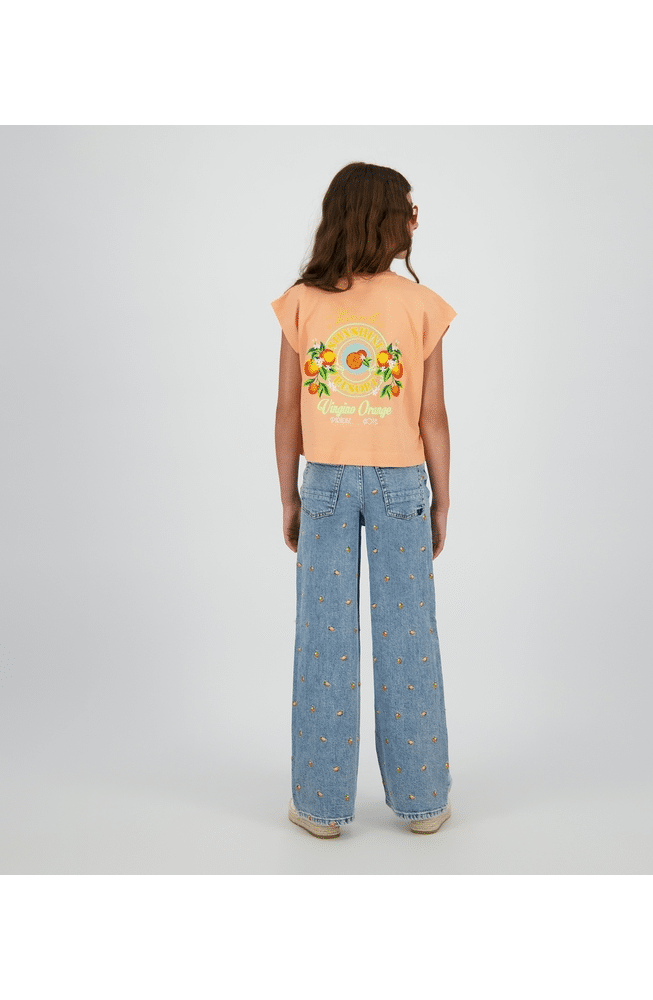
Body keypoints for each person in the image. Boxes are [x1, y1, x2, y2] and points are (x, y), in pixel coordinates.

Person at [272, 162, 455, 838]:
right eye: (409, 208)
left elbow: (288, 411)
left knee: (324, 637)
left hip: (323, 480)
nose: (415, 220)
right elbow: (432, 416)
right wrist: (441, 500)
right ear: (386, 220)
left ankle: (319, 807)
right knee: (410, 637)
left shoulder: (302, 302)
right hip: (402, 481)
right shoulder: (421, 305)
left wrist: (288, 496)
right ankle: (424, 800)